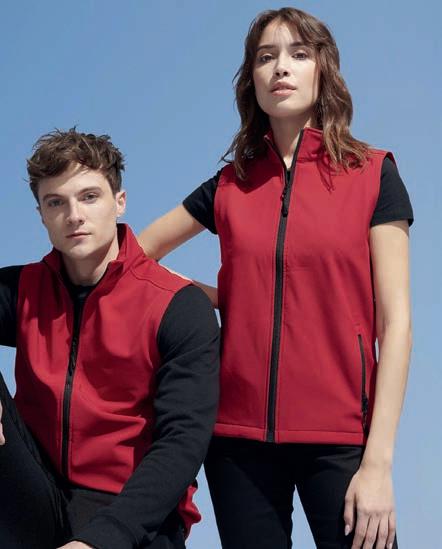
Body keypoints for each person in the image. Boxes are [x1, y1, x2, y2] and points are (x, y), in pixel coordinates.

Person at [137, 7, 414, 549]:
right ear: (252, 79)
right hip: (237, 441)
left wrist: (378, 463)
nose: (280, 67)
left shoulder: (373, 173)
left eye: (298, 54)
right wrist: (224, 298)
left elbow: (397, 325)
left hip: (341, 437)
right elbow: (137, 258)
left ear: (323, 69)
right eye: (266, 57)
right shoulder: (231, 184)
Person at [0, 128, 220, 549]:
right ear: (41, 215)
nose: (74, 216)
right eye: (55, 203)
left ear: (119, 201)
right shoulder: (24, 290)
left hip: (132, 513)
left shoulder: (176, 306)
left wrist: (97, 542)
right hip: (36, 496)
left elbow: (182, 443)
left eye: (89, 197)